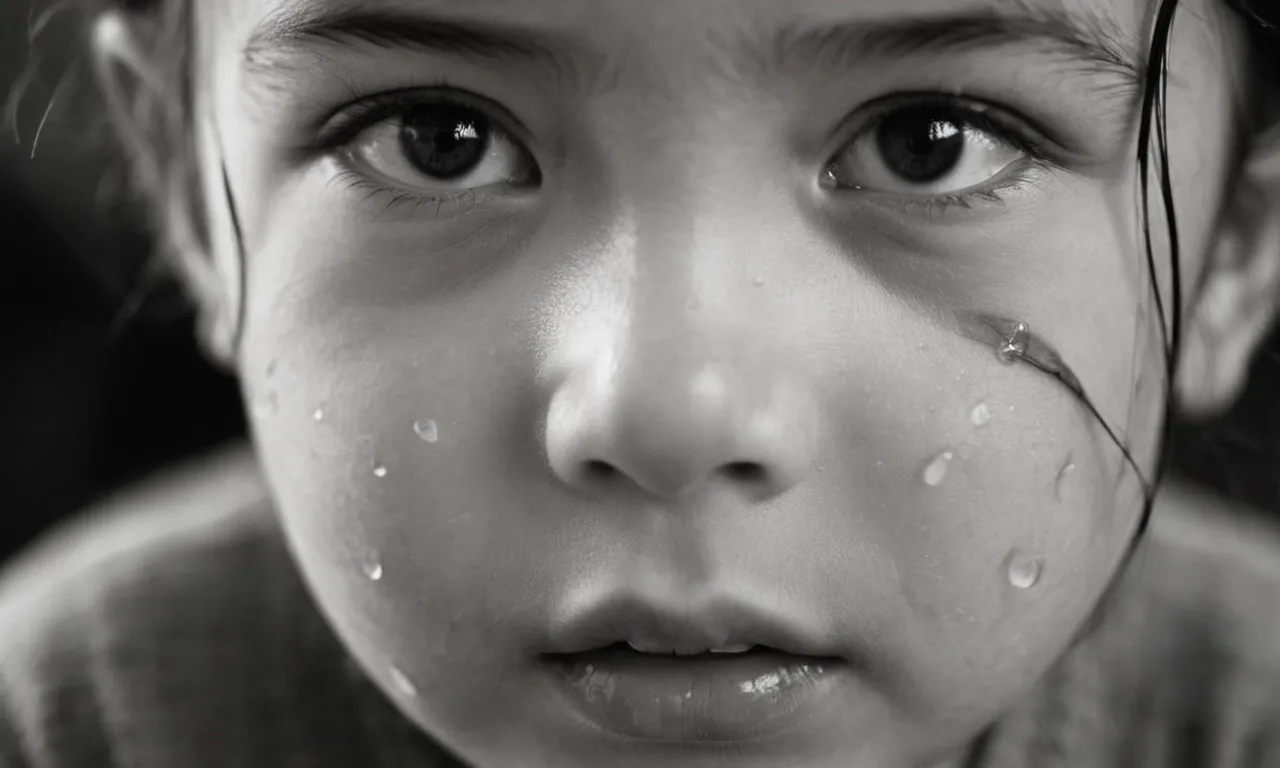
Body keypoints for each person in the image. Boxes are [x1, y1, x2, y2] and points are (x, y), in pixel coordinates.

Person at [4, 0, 1280, 765]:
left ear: (1231, 252)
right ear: (192, 207)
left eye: (925, 141)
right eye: (439, 141)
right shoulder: (71, 722)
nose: (667, 409)